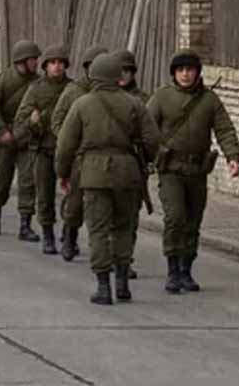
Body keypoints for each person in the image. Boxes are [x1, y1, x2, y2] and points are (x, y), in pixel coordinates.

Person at [56, 53, 160, 305]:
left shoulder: (82, 104)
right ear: (117, 75)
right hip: (128, 172)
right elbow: (153, 140)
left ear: (93, 75)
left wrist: (63, 172)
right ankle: (122, 283)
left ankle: (104, 286)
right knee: (124, 227)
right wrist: (145, 160)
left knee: (98, 230)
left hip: (93, 174)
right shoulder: (135, 104)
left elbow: (65, 145)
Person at [147, 49, 239, 294]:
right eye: (180, 70)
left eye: (190, 69)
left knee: (192, 220)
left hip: (197, 171)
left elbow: (224, 129)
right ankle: (172, 270)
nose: (185, 74)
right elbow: (146, 129)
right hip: (171, 170)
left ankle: (186, 269)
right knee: (175, 217)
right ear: (174, 73)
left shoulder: (209, 100)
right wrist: (148, 157)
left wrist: (233, 157)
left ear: (198, 72)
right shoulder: (162, 97)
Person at [51, 45, 108, 262]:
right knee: (75, 203)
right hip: (79, 157)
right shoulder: (73, 92)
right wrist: (70, 139)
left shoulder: (113, 94)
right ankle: (70, 236)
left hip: (104, 158)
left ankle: (109, 251)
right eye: (93, 66)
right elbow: (57, 122)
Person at [14, 44, 72, 254]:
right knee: (45, 196)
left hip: (67, 151)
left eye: (60, 63)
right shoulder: (36, 89)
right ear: (45, 66)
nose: (57, 67)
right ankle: (48, 236)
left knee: (73, 196)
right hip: (44, 149)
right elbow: (20, 123)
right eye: (52, 63)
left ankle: (69, 234)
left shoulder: (72, 89)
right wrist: (32, 122)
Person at [0, 40, 41, 239]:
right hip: (4, 136)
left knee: (28, 180)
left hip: (26, 136)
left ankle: (25, 224)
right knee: (1, 178)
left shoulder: (38, 82)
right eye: (32, 59)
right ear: (21, 61)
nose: (36, 62)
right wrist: (1, 130)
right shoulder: (3, 80)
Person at [113, 48, 149, 279]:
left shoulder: (143, 100)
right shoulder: (100, 98)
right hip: (107, 166)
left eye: (127, 70)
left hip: (134, 165)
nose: (123, 75)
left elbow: (152, 134)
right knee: (108, 215)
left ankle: (124, 260)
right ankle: (110, 257)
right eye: (119, 70)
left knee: (130, 216)